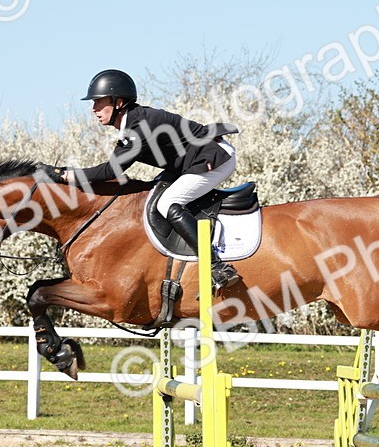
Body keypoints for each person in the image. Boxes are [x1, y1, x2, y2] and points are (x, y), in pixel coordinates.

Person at [42, 69, 240, 291]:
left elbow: (110, 171)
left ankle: (217, 267)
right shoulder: (132, 123)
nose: (94, 109)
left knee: (167, 204)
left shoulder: (139, 127)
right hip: (189, 162)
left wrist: (62, 175)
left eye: (99, 102)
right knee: (154, 195)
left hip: (213, 157)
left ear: (119, 102)